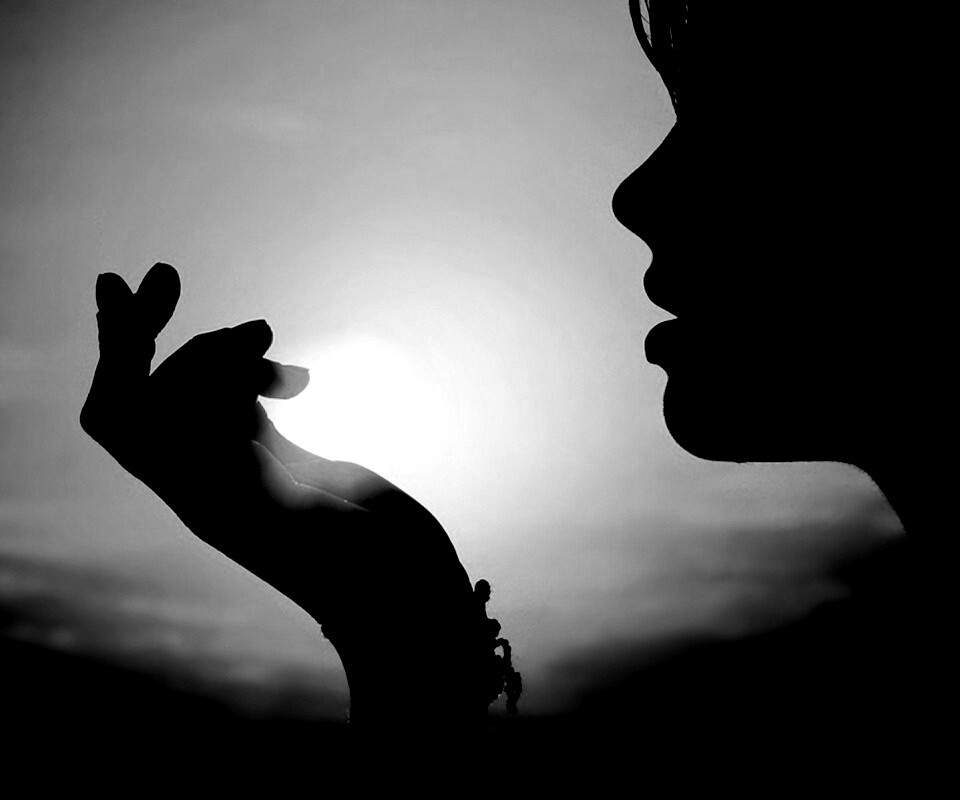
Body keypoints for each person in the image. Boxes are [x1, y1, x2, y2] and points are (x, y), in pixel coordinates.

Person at [80, 263, 502, 739]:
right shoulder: (417, 571)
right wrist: (275, 455)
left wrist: (399, 602)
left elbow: (400, 591)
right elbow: (406, 588)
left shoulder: (412, 574)